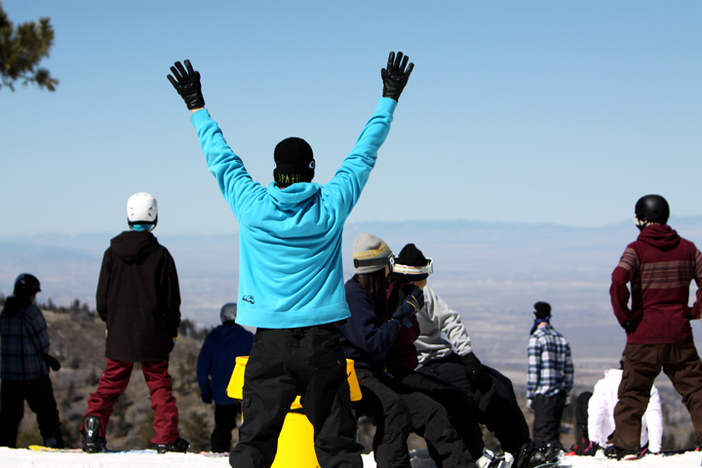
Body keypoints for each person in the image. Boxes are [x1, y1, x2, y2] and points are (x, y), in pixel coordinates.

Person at [167, 51, 413, 468]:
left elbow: (221, 158)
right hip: (322, 343)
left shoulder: (252, 206)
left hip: (271, 342)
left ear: (277, 171)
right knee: (337, 445)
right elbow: (363, 154)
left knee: (254, 444)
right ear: (311, 170)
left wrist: (196, 104)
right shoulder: (330, 205)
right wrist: (389, 97)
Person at [391, 243, 560, 468]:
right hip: (423, 363)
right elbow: (446, 321)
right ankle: (511, 452)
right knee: (486, 389)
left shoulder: (423, 292)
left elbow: (449, 319)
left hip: (442, 357)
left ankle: (521, 447)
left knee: (501, 383)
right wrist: (467, 358)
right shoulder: (400, 296)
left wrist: (468, 357)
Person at [338, 232, 491, 468]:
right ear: (379, 269)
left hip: (374, 374)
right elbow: (373, 342)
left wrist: (398, 305)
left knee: (431, 411)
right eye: (389, 265)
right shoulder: (354, 296)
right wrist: (401, 314)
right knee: (395, 410)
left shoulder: (370, 294)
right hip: (355, 375)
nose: (391, 272)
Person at [81, 192, 188, 454]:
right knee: (159, 387)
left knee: (109, 386)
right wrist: (171, 331)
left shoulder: (111, 253)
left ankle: (92, 431)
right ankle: (166, 438)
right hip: (153, 333)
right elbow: (171, 301)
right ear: (155, 217)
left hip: (120, 333)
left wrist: (113, 324)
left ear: (128, 217)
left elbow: (102, 300)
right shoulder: (162, 255)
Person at [606, 194, 702, 459]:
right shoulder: (689, 249)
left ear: (642, 219)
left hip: (644, 334)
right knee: (695, 389)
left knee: (633, 393)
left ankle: (626, 447)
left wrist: (625, 316)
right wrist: (694, 312)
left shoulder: (636, 250)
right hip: (679, 334)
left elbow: (617, 281)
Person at [0, 273, 64, 448]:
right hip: (33, 376)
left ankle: (5, 448)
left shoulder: (5, 313)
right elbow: (42, 344)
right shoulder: (31, 312)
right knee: (47, 414)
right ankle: (53, 444)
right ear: (31, 292)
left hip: (8, 377)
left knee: (9, 418)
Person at [196, 302, 254, 452]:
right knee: (250, 429)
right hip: (244, 393)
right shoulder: (247, 338)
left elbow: (201, 369)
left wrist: (205, 393)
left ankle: (218, 455)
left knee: (222, 430)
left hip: (221, 394)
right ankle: (248, 457)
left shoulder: (211, 339)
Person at [585, 358, 663, 455]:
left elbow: (596, 414)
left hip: (608, 443)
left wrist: (594, 441)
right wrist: (654, 448)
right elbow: (654, 417)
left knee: (584, 398)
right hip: (638, 442)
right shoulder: (648, 386)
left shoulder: (604, 384)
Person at [526, 301, 573, 451]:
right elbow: (569, 370)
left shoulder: (537, 338)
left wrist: (530, 395)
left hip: (544, 394)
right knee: (553, 432)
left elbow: (534, 370)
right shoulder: (562, 339)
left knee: (542, 435)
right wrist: (566, 392)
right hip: (559, 393)